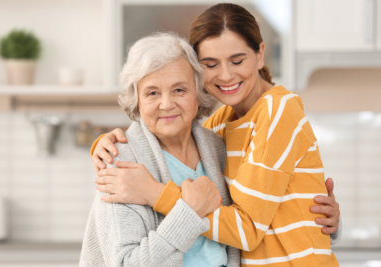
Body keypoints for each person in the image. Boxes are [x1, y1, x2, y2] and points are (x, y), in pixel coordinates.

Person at [91, 3, 340, 265]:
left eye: (237, 60)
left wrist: (154, 193)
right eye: (211, 64)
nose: (225, 75)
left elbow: (249, 230)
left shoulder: (277, 111)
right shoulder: (219, 128)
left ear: (260, 54)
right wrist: (105, 144)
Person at [80, 32, 240, 266]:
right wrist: (189, 212)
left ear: (198, 94)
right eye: (152, 92)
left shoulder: (219, 148)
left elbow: (254, 220)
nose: (166, 104)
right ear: (138, 100)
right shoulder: (120, 159)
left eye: (179, 90)